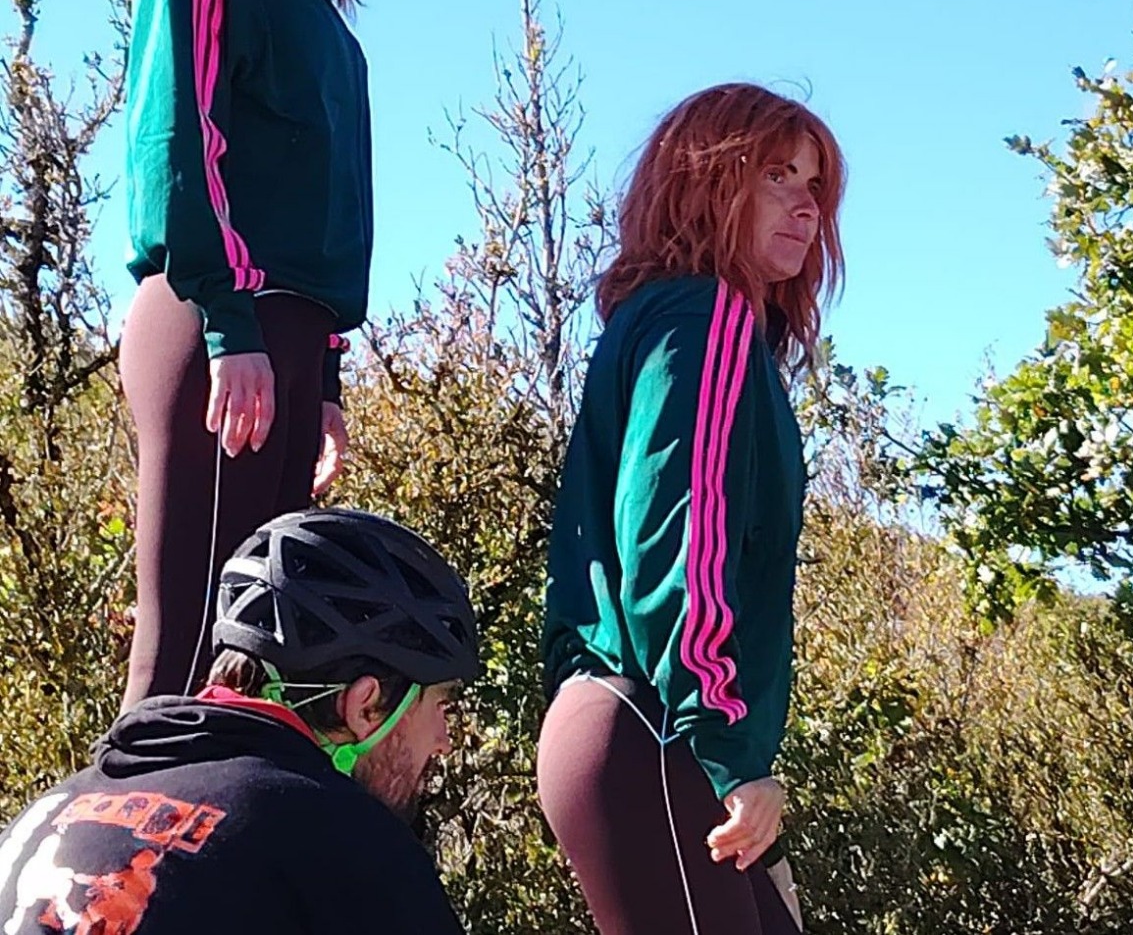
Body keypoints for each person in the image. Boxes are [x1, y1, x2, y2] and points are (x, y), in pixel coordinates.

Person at [118, 0, 413, 709]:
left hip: (288, 334)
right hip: (217, 318)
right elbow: (180, 132)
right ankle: (111, 868)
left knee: (258, 662)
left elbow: (318, 197)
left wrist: (325, 374)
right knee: (186, 652)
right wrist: (226, 322)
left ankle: (219, 861)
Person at [539, 83, 846, 934]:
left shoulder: (672, 321)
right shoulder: (704, 316)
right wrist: (725, 746)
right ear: (704, 182)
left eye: (814, 185)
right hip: (652, 727)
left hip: (637, 732)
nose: (806, 206)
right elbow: (678, 537)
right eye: (776, 175)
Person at [0, 507, 480, 934]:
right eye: (440, 705)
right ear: (365, 706)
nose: (443, 741)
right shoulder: (347, 844)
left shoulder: (44, 814)